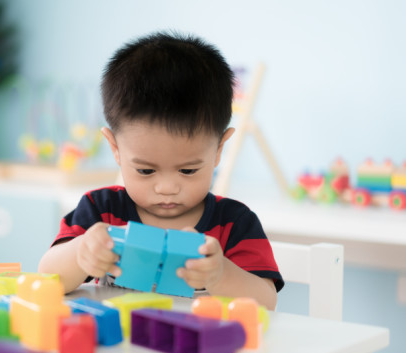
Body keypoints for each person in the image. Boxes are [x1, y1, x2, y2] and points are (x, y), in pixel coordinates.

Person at [38, 32, 283, 309]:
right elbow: (47, 277)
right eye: (145, 171)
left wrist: (220, 274)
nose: (167, 188)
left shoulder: (233, 223)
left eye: (188, 170)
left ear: (219, 149)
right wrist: (81, 253)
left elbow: (266, 302)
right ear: (115, 148)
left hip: (197, 350)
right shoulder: (101, 210)